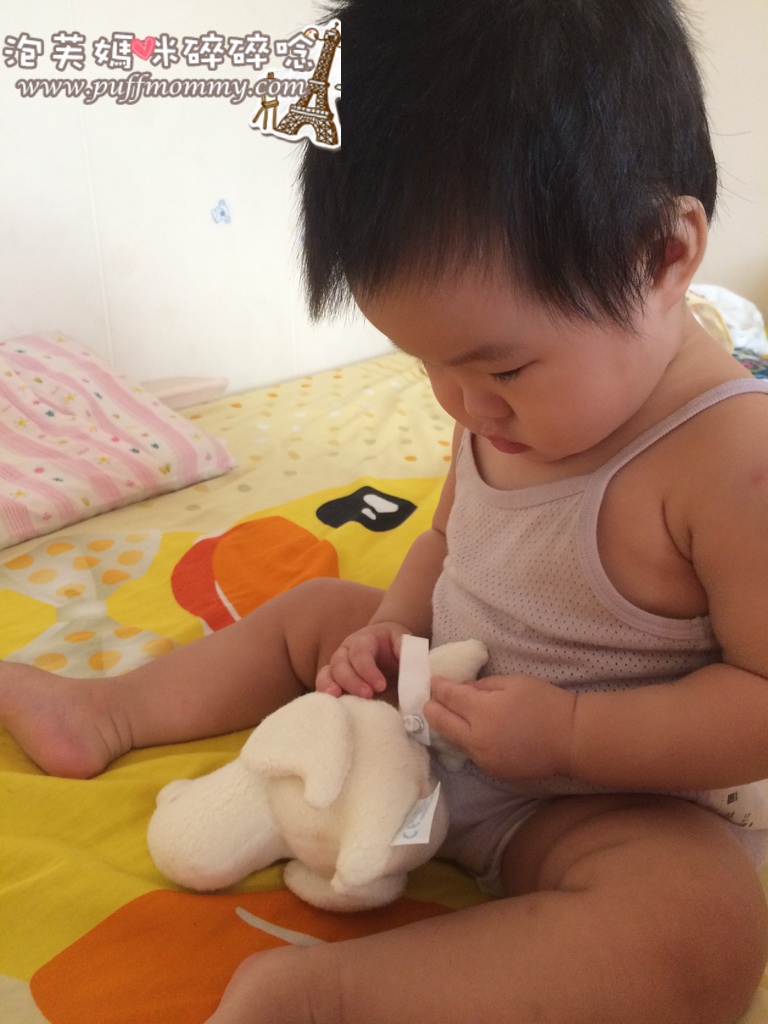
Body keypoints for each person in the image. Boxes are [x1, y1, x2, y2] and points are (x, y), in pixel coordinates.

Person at [3, 0, 768, 1020]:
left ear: (661, 255)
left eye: (502, 366)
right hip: (424, 711)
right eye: (424, 364)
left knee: (703, 923)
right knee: (320, 609)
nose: (463, 405)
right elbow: (449, 539)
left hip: (595, 794)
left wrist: (574, 736)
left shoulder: (734, 462)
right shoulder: (496, 409)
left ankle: (334, 998)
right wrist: (392, 632)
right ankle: (109, 710)